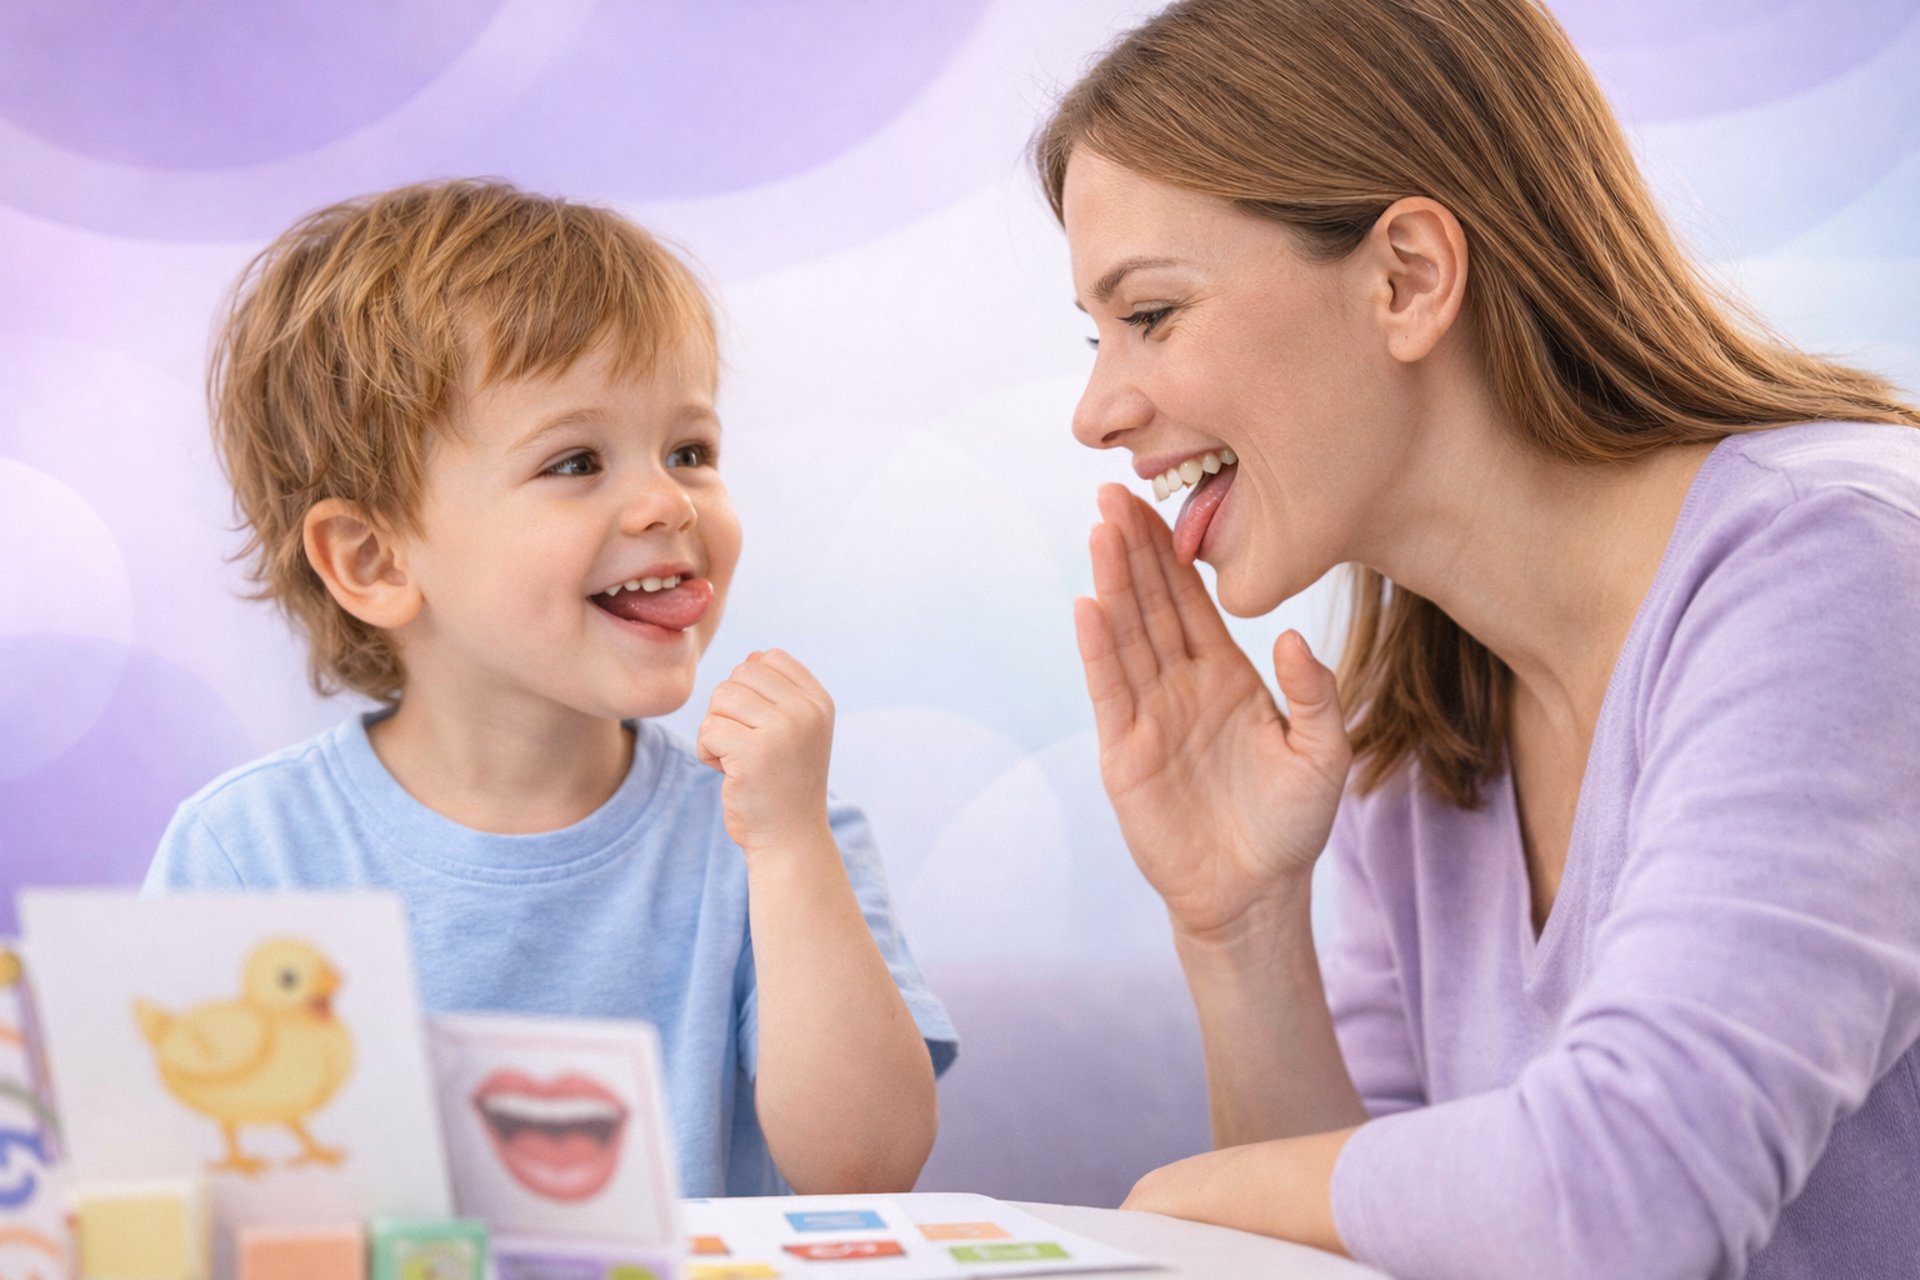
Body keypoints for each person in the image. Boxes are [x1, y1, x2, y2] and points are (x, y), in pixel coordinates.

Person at [1040, 1, 1920, 1276]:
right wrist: (1240, 921)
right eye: (1095, 333)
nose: (1097, 409)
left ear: (1407, 277)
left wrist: (1180, 1198)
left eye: (1153, 315)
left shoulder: (1844, 562)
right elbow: (1377, 1250)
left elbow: (1626, 1196)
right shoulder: (1419, 740)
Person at [143, 179, 955, 1197]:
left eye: (690, 450)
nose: (667, 500)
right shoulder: (249, 851)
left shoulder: (779, 832)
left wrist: (790, 845)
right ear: (374, 559)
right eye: (576, 460)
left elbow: (863, 1167)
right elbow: (184, 1200)